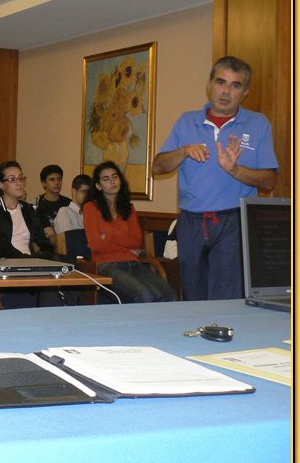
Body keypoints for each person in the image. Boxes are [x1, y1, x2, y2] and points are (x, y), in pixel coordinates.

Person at [152, 56, 278, 301]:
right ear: (209, 85)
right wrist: (183, 151)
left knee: (226, 299)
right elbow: (158, 167)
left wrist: (235, 170)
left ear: (245, 92)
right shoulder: (186, 122)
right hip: (191, 222)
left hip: (234, 221)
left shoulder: (258, 124)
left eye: (235, 85)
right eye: (221, 82)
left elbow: (269, 181)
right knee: (194, 296)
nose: (226, 91)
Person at [0, 161, 76, 307]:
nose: (19, 183)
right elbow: (1, 247)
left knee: (67, 263)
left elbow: (42, 240)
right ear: (1, 185)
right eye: (12, 179)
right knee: (49, 286)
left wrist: (44, 259)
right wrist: (29, 261)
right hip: (7, 265)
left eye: (20, 178)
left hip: (31, 264)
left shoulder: (27, 209)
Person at [84, 161, 177, 305]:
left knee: (170, 295)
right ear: (98, 186)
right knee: (145, 296)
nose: (112, 181)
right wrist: (126, 248)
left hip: (134, 263)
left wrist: (110, 236)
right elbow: (96, 245)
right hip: (106, 266)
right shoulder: (90, 208)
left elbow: (137, 241)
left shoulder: (128, 208)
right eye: (106, 179)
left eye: (115, 177)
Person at [33, 164, 71, 245]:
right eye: (52, 179)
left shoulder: (69, 204)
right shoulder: (36, 205)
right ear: (44, 183)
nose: (56, 182)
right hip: (45, 247)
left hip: (67, 245)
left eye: (59, 179)